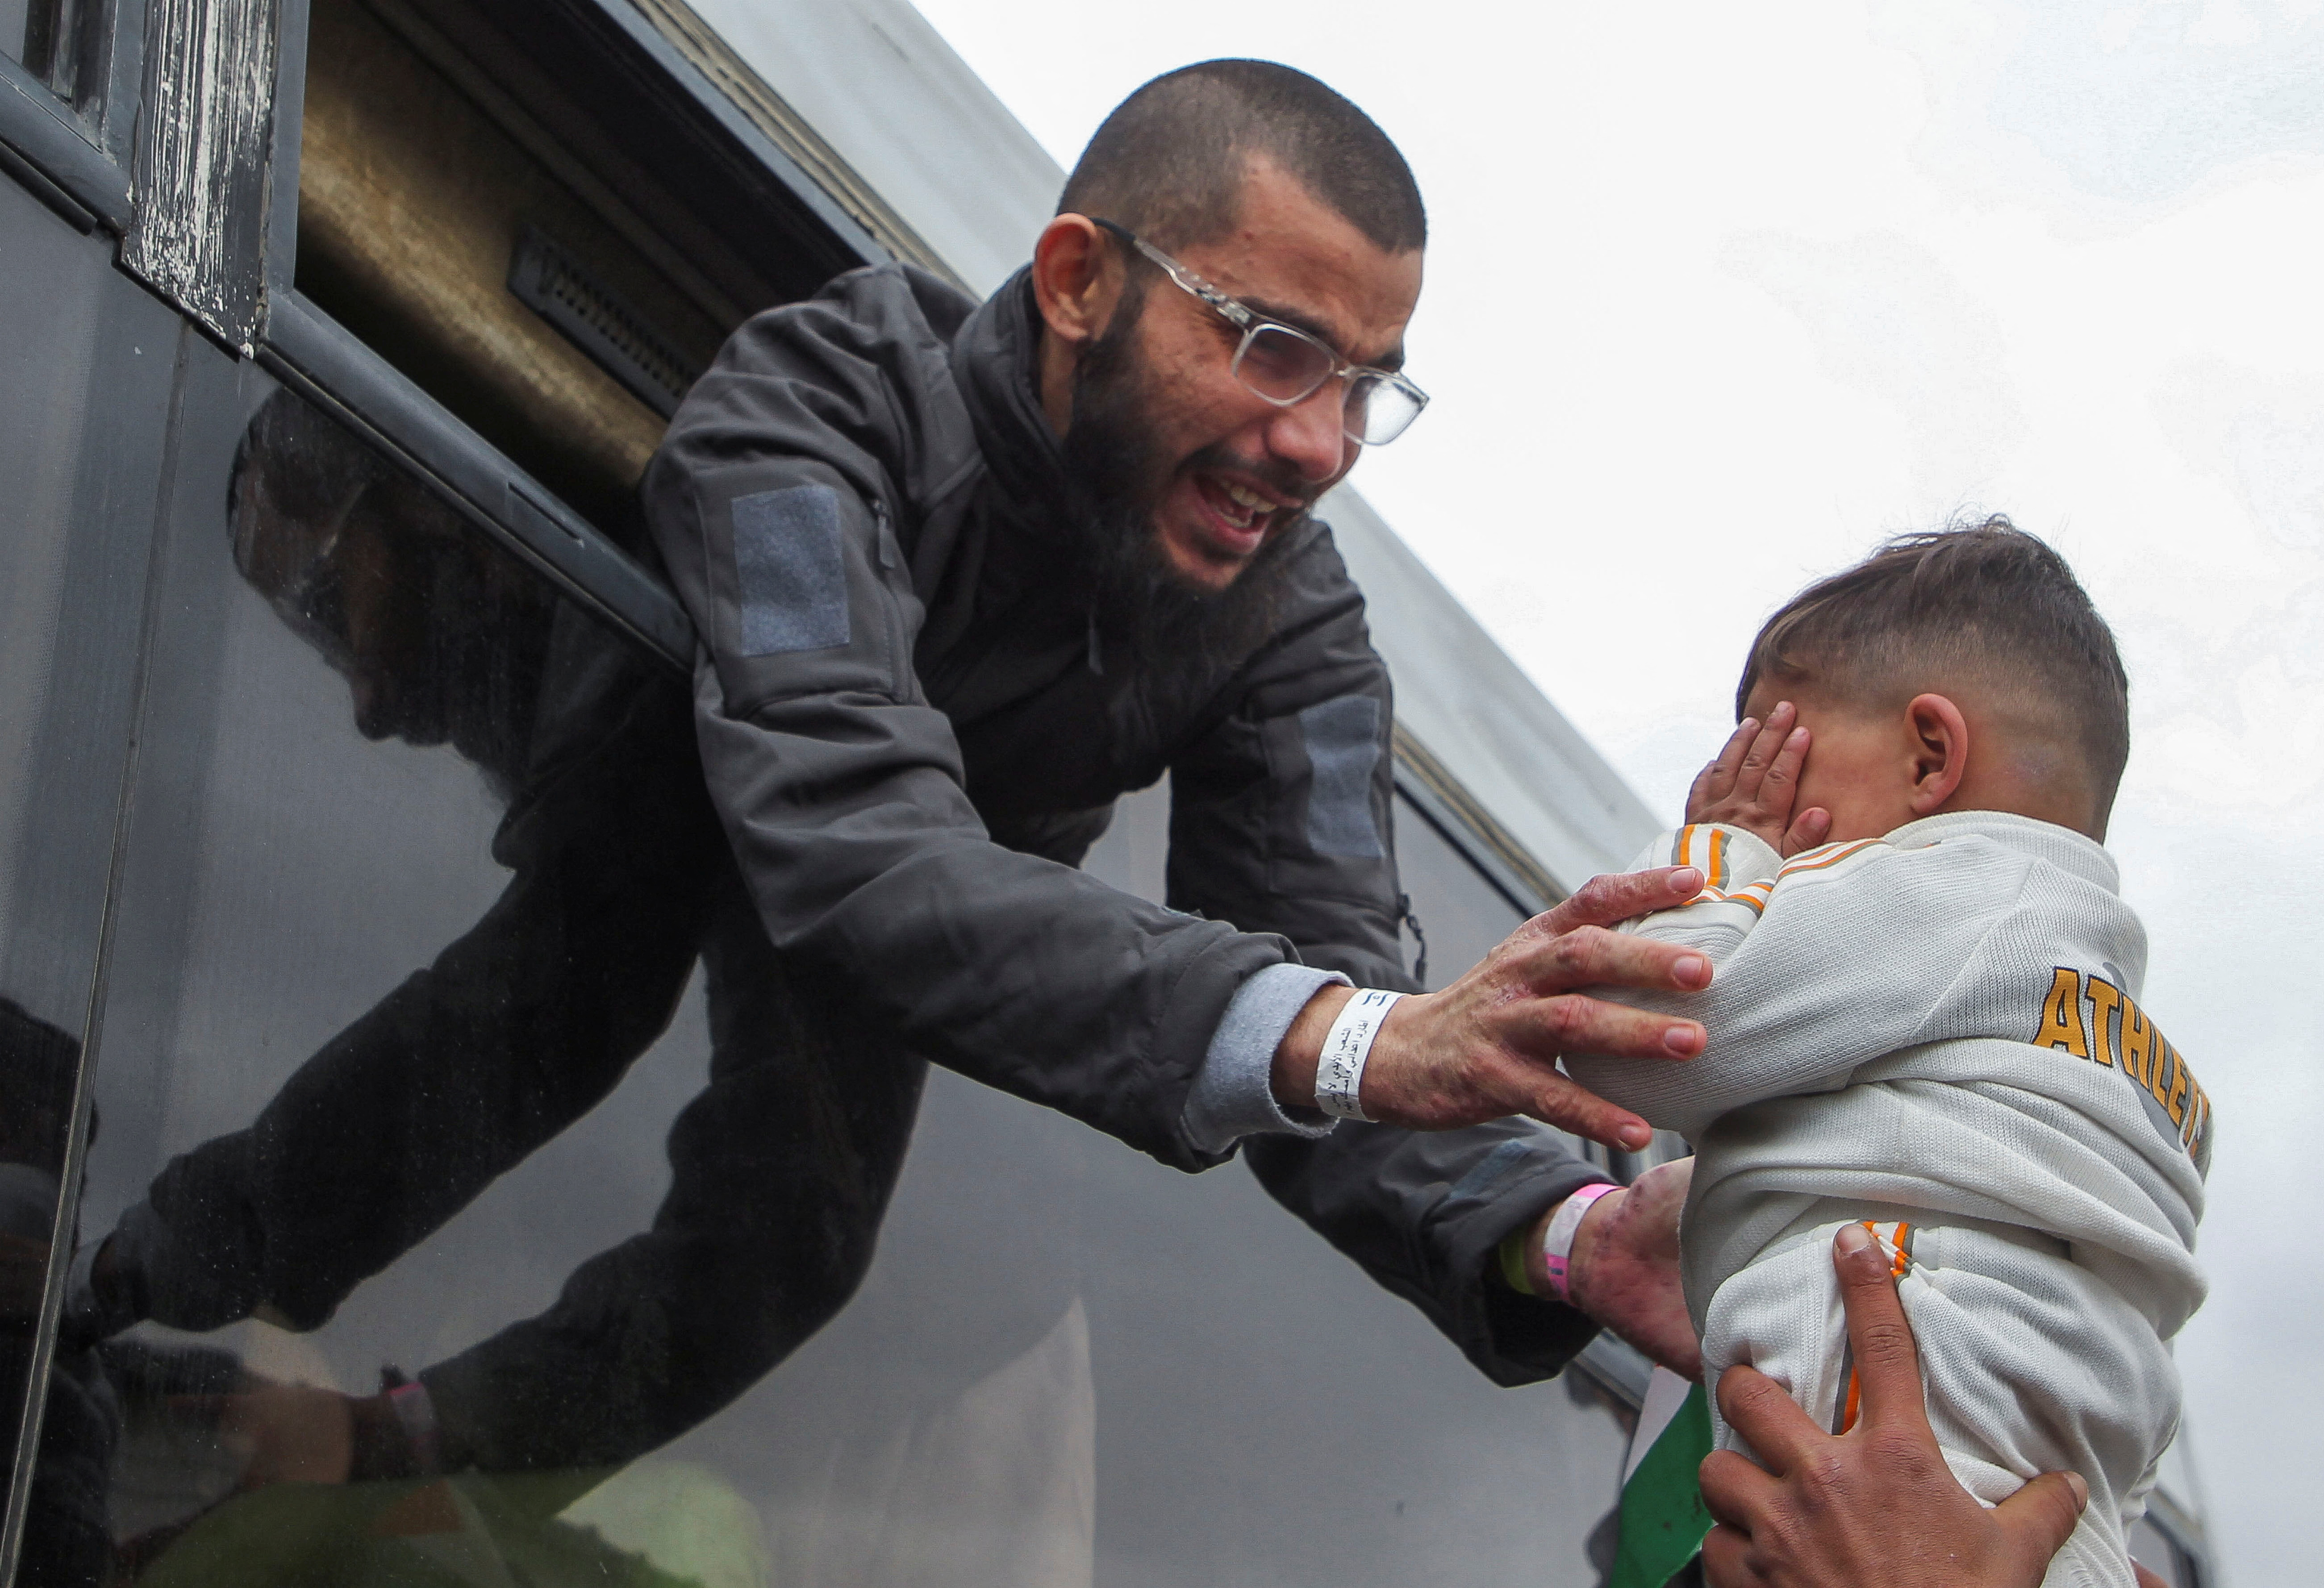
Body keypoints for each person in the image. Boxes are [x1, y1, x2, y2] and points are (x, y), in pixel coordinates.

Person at [66, 63, 1710, 1500]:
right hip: (724, 834)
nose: (1325, 442)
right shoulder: (814, 407)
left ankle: (395, 1437)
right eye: (1278, 348)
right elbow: (856, 847)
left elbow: (1357, 1031)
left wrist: (1562, 1231)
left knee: (795, 1237)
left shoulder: (1293, 621)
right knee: (551, 1002)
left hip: (957, 960)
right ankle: (102, 1280)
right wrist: (1338, 1026)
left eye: (1368, 385)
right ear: (1078, 281)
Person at [1565, 524, 2208, 1585]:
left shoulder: (1942, 887)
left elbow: (1640, 1040)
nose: (1758, 800)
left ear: (1928, 757)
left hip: (1890, 1380)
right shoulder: (2146, 1064)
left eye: (1772, 755)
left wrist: (1722, 847)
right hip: (2074, 1491)